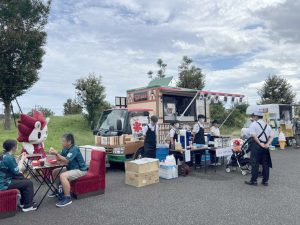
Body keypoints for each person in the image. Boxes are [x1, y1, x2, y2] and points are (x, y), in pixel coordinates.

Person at [49, 133, 87, 207]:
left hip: (80, 170)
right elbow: (59, 158)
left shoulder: (74, 148)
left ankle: (67, 198)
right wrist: (55, 153)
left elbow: (66, 161)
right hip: (71, 169)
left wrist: (56, 153)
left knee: (63, 176)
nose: (61, 142)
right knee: (55, 172)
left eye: (63, 141)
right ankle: (59, 190)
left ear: (69, 142)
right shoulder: (65, 149)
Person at [0, 140, 37, 212]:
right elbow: (17, 171)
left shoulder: (3, 155)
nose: (17, 147)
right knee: (28, 183)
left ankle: (24, 202)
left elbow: (10, 167)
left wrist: (18, 159)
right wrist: (22, 159)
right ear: (14, 148)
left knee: (23, 180)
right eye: (16, 146)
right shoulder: (9, 158)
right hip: (4, 183)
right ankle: (28, 206)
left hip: (3, 179)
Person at [245, 111, 273, 186]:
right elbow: (271, 136)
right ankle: (265, 181)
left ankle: (254, 181)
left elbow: (253, 135)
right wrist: (267, 144)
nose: (253, 117)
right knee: (265, 164)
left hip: (256, 146)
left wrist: (259, 143)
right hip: (265, 146)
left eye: (253, 116)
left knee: (255, 163)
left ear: (256, 117)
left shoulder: (254, 124)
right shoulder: (267, 125)